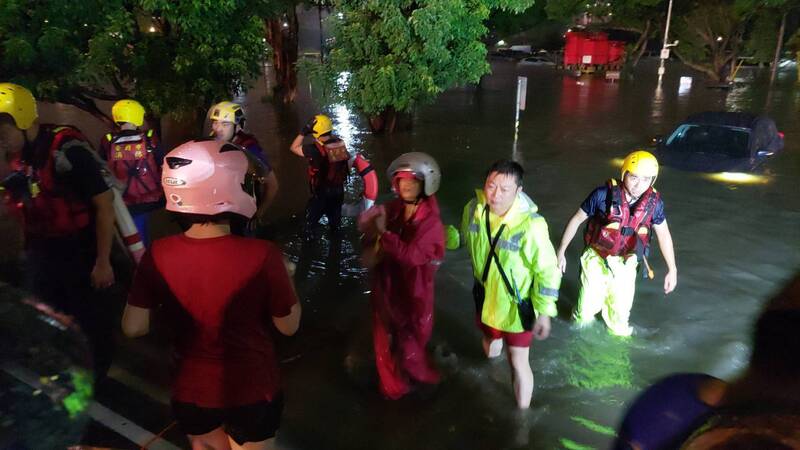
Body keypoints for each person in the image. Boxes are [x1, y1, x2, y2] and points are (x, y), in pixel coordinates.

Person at [121, 139, 301, 450]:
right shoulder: (262, 254)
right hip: (252, 388)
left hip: (191, 392)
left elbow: (134, 326)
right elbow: (288, 325)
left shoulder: (158, 254)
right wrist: (289, 276)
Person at [0, 82, 116, 380]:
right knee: (49, 315)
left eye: (3, 132)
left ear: (24, 122)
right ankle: (62, 368)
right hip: (42, 251)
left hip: (80, 249)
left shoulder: (66, 151)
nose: (2, 140)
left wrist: (103, 262)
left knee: (89, 319)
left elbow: (104, 205)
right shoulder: (20, 158)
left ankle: (96, 376)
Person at [457, 159, 561, 409]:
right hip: (484, 297)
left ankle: (521, 417)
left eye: (505, 189)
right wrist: (441, 238)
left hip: (516, 307)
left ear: (518, 191)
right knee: (489, 340)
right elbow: (462, 239)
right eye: (491, 186)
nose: (496, 195)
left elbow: (548, 271)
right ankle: (490, 371)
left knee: (518, 361)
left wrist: (545, 312)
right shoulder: (473, 209)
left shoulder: (532, 225)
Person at [556, 150, 677, 337]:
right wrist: (561, 251)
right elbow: (576, 220)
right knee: (584, 314)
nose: (638, 185)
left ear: (652, 181)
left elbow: (664, 235)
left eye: (646, 179)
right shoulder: (602, 195)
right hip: (596, 257)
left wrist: (672, 269)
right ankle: (577, 341)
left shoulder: (654, 204)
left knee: (619, 319)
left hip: (627, 262)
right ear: (624, 174)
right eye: (634, 177)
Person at [358, 152, 444, 400]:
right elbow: (367, 221)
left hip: (414, 293)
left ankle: (423, 383)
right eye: (401, 180)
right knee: (383, 340)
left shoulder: (431, 224)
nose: (405, 185)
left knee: (411, 345)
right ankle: (393, 390)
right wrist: (369, 223)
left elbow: (412, 256)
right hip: (386, 286)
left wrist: (383, 233)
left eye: (412, 181)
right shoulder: (395, 207)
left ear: (426, 184)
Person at [289, 114, 378, 238]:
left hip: (322, 194)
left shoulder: (313, 149)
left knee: (308, 226)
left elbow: (293, 147)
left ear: (314, 132)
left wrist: (303, 132)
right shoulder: (340, 144)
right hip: (338, 192)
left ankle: (309, 250)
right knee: (335, 227)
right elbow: (347, 160)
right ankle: (336, 249)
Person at [99, 99, 164, 247]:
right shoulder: (148, 138)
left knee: (133, 235)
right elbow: (162, 162)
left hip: (122, 200)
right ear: (138, 117)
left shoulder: (108, 141)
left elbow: (102, 168)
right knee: (144, 233)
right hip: (150, 198)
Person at [209, 100, 278, 227]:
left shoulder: (250, 149)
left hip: (244, 215)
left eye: (225, 124)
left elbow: (273, 185)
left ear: (238, 127)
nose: (218, 128)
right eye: (215, 122)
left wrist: (258, 214)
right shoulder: (213, 142)